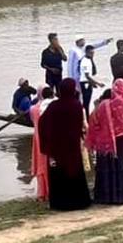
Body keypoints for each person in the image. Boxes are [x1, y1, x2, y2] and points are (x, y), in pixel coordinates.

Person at [38, 79, 91, 211]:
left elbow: (42, 124)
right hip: (72, 147)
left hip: (57, 148)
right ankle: (79, 201)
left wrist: (48, 142)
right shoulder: (77, 105)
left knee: (59, 174)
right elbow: (79, 126)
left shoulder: (53, 106)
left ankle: (60, 203)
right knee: (74, 171)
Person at [85, 79, 123, 204]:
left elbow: (94, 123)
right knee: (122, 166)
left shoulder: (103, 106)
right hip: (122, 141)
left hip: (105, 144)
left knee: (107, 167)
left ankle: (106, 196)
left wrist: (97, 106)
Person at [30, 86, 56, 201]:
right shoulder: (53, 106)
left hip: (38, 139)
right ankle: (52, 190)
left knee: (41, 165)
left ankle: (42, 193)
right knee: (52, 163)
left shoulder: (34, 109)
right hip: (50, 138)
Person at [79, 45, 105, 118]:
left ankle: (86, 116)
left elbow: (92, 73)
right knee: (86, 102)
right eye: (91, 53)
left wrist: (93, 83)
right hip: (85, 83)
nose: (92, 55)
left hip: (88, 82)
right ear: (86, 52)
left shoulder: (89, 60)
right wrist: (98, 83)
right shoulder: (85, 61)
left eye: (93, 53)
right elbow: (87, 76)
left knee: (87, 101)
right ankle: (85, 117)